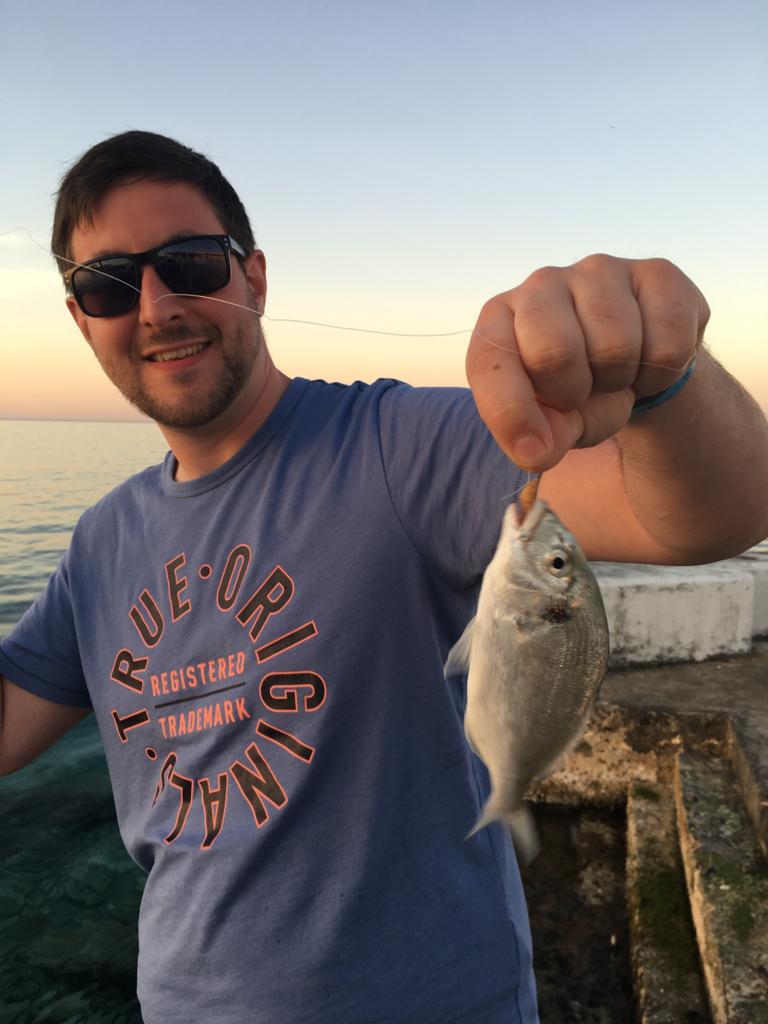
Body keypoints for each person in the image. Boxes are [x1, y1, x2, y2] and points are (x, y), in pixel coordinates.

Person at [1, 130, 766, 1024]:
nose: (157, 307)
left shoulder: (397, 446)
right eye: (109, 284)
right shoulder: (99, 543)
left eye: (191, 264)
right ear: (81, 317)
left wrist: (664, 377)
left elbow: (712, 514)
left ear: (253, 279)